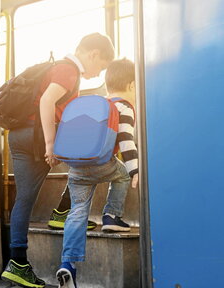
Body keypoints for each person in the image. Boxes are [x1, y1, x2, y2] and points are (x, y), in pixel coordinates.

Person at [1, 32, 115, 288]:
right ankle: (63, 212)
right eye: (101, 66)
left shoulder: (56, 67)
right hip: (38, 136)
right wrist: (51, 143)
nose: (98, 73)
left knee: (25, 197)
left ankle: (17, 262)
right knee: (92, 160)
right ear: (93, 54)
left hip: (18, 135)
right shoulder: (68, 70)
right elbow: (46, 101)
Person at [55, 58, 138, 288]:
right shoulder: (125, 106)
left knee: (77, 212)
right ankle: (111, 215)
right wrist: (134, 170)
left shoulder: (99, 102)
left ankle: (67, 264)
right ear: (132, 85)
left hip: (75, 167)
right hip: (102, 164)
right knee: (121, 175)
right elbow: (126, 140)